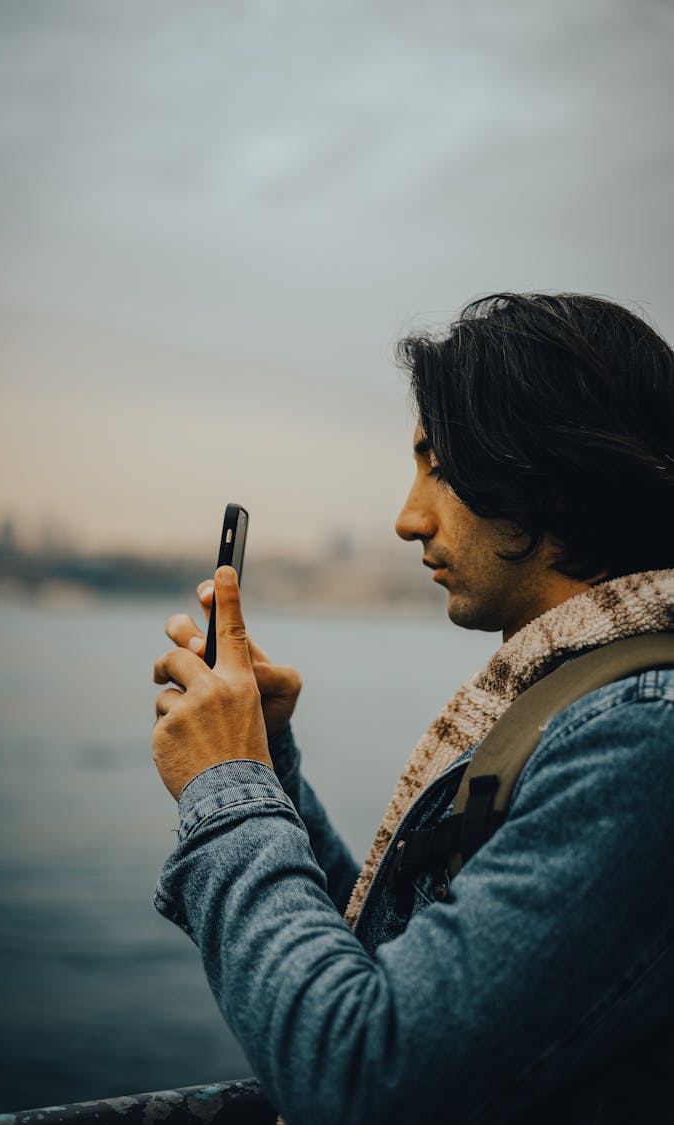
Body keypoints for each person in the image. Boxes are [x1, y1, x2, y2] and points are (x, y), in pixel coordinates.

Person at [151, 293, 674, 1124]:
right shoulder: (583, 699)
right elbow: (399, 958)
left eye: (440, 463)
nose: (407, 516)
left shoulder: (641, 738)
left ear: (548, 474)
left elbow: (361, 1074)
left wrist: (229, 781)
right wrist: (268, 760)